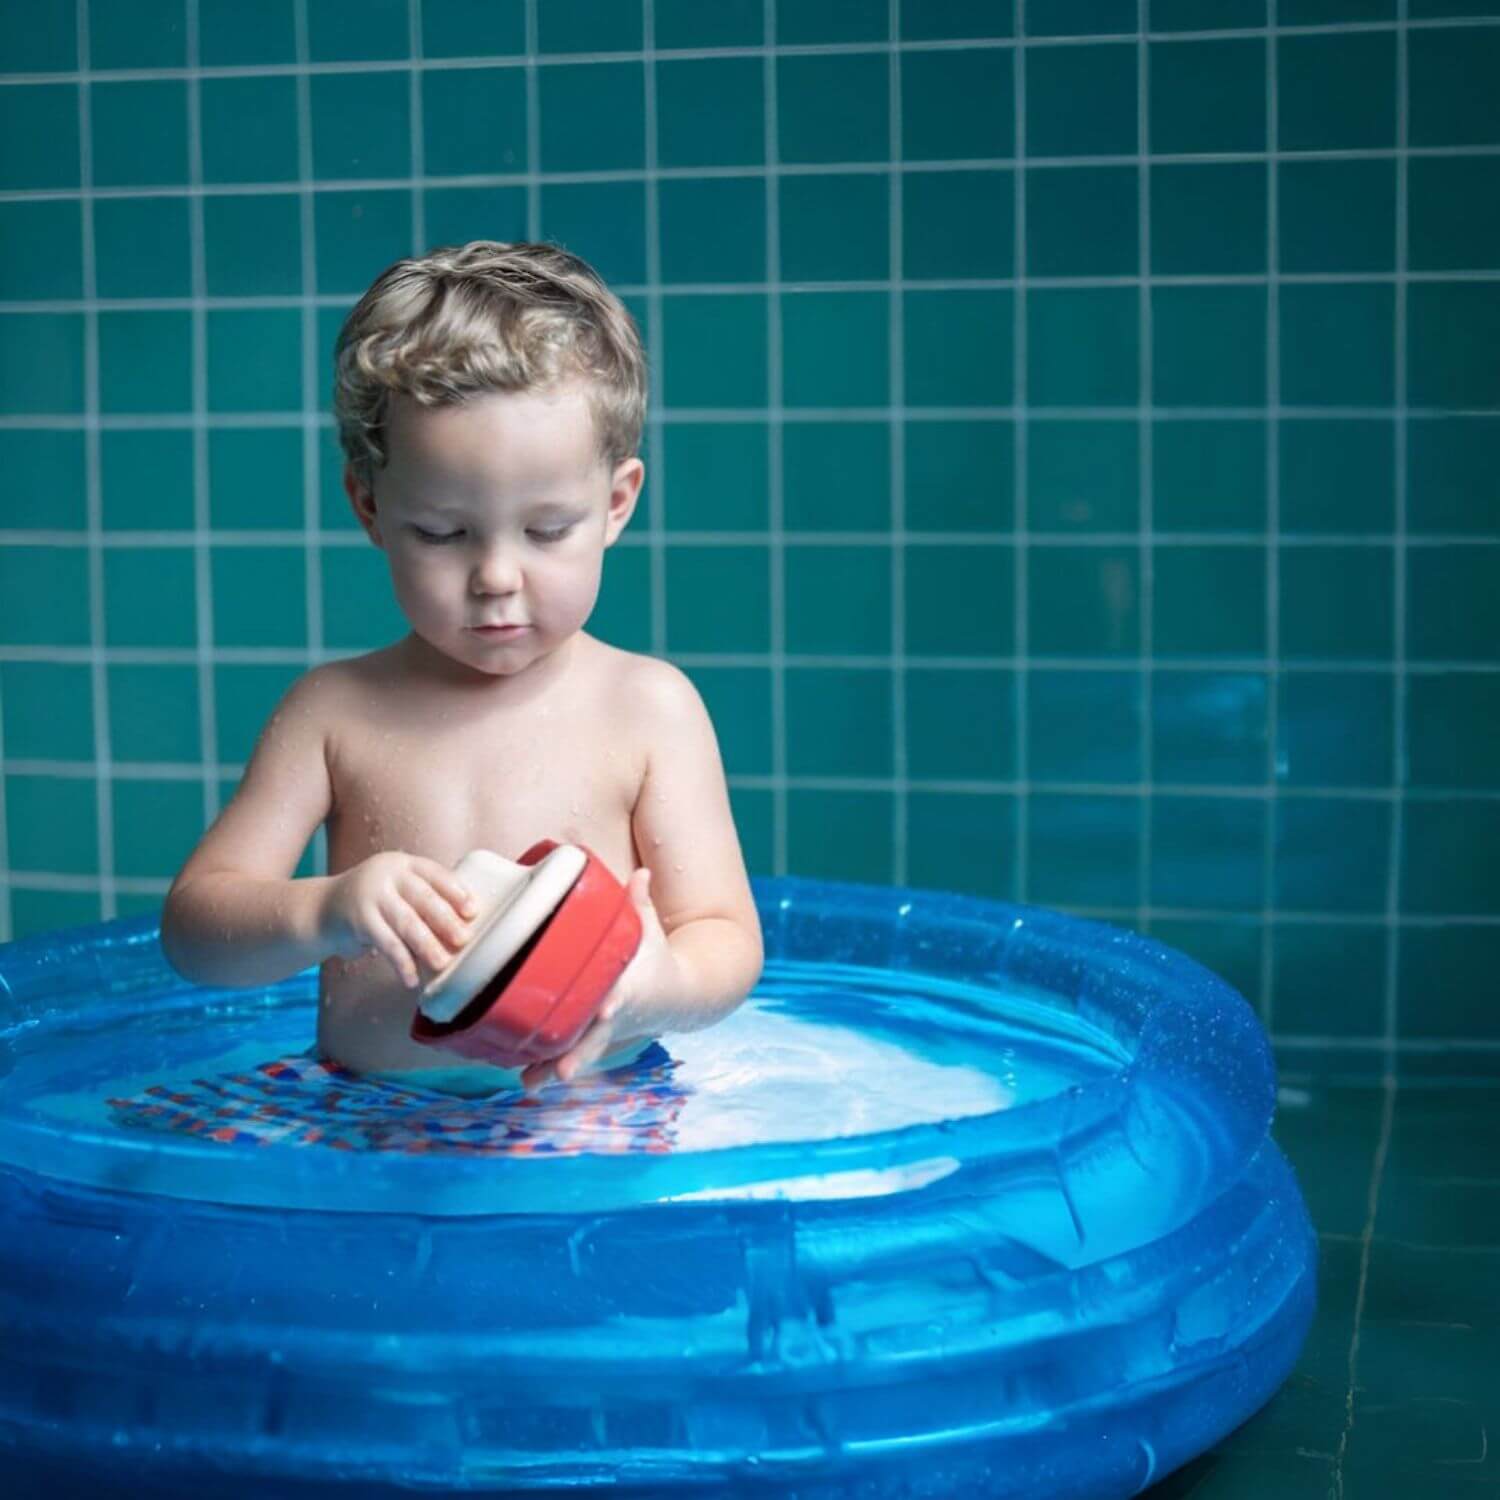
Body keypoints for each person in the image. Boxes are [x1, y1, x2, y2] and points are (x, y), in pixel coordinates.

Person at [160, 240, 764, 1097]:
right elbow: (193, 932)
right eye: (443, 534)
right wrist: (322, 910)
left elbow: (724, 935)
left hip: (584, 1113)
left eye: (548, 529)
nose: (496, 577)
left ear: (617, 503)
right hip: (370, 1125)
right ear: (371, 507)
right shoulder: (335, 714)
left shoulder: (647, 708)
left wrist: (651, 990)